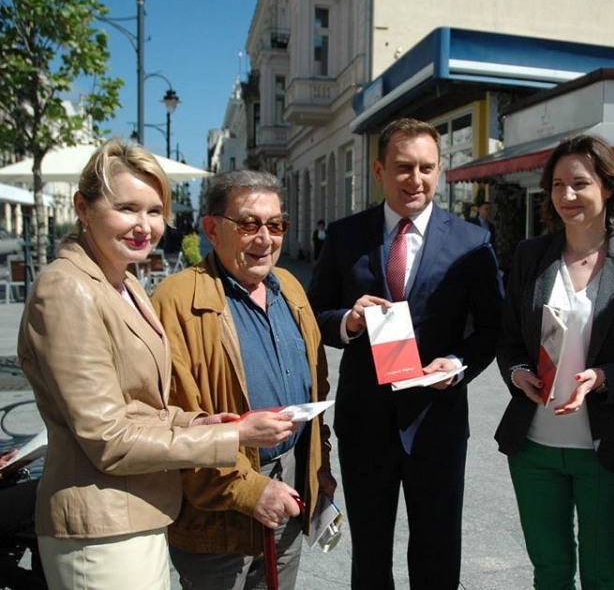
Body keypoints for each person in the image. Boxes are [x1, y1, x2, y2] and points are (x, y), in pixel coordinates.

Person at [16, 140, 297, 590]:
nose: (144, 225)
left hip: (136, 514)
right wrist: (235, 435)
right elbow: (109, 440)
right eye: (126, 208)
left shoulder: (122, 281)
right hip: (100, 524)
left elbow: (141, 406)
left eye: (154, 211)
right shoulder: (68, 289)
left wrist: (197, 421)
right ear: (83, 208)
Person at [308, 117, 503, 589]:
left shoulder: (472, 242)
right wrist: (348, 322)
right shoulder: (345, 236)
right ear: (379, 171)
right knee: (369, 557)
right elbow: (314, 315)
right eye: (403, 167)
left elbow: (492, 329)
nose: (415, 179)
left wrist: (457, 364)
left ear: (439, 171)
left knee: (438, 555)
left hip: (436, 424)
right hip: (365, 424)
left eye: (426, 168)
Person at [494, 134, 614, 590]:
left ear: (608, 187)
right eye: (557, 185)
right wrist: (518, 373)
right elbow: (508, 339)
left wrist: (602, 378)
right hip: (534, 449)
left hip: (609, 451)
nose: (567, 195)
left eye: (579, 183)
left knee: (604, 575)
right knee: (550, 572)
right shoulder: (530, 256)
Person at [152, 170, 335, 590]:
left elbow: (317, 388)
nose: (265, 238)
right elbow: (173, 420)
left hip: (289, 485)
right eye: (249, 224)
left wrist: (318, 464)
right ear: (212, 229)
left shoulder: (290, 287)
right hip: (217, 508)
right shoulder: (176, 301)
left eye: (276, 225)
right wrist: (251, 491)